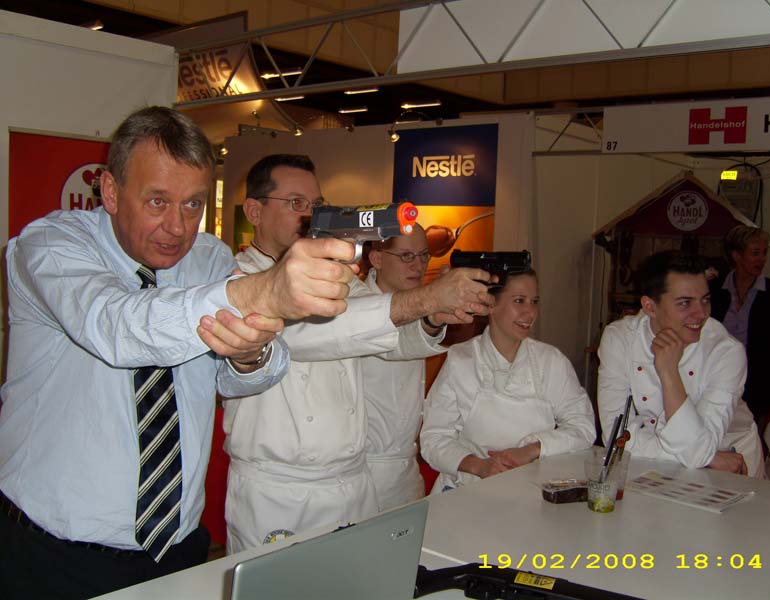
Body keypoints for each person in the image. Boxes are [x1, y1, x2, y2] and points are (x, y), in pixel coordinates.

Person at [0, 107, 357, 600]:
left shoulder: (208, 257)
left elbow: (242, 374)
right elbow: (117, 327)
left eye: (192, 204)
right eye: (157, 201)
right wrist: (262, 292)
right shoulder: (49, 245)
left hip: (177, 545)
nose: (177, 226)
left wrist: (248, 356)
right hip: (55, 550)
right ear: (110, 191)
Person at [224, 154, 494, 552]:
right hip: (281, 490)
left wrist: (431, 317)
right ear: (254, 211)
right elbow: (312, 335)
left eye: (317, 205)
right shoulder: (238, 281)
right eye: (296, 203)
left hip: (353, 478)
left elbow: (382, 339)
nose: (310, 216)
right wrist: (426, 298)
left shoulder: (333, 277)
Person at [420, 269, 596, 491]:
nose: (530, 312)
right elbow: (433, 439)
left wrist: (532, 449)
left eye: (534, 302)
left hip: (533, 489)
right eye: (519, 301)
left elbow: (583, 427)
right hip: (469, 490)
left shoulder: (551, 361)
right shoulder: (461, 360)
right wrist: (481, 466)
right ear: (491, 304)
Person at [598, 250, 764, 478]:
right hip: (712, 460)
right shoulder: (620, 338)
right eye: (685, 303)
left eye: (705, 300)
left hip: (733, 460)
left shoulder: (725, 351)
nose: (701, 314)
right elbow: (616, 436)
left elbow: (700, 449)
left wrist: (669, 372)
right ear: (649, 307)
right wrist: (709, 458)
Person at [363, 224, 443, 511]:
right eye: (407, 256)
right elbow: (394, 344)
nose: (418, 265)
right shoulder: (352, 306)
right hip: (361, 474)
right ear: (376, 258)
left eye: (424, 255)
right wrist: (433, 316)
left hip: (407, 473)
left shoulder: (417, 305)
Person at [710, 225, 770, 433]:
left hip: (757, 387)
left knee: (748, 440)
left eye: (764, 253)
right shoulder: (713, 291)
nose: (762, 260)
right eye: (755, 253)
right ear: (736, 255)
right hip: (714, 380)